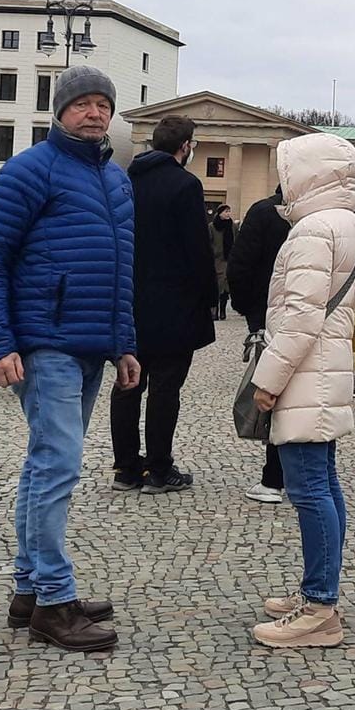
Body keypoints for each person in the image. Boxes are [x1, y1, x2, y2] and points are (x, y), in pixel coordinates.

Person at [0, 66, 141, 652]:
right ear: (60, 111)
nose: (95, 113)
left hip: (92, 343)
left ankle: (28, 590)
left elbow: (121, 270)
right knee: (59, 466)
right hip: (45, 341)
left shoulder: (116, 180)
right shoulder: (30, 169)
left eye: (103, 104)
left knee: (45, 464)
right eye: (84, 104)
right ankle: (53, 601)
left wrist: (125, 343)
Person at [248, 133, 355, 648]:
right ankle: (319, 590)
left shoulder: (313, 229)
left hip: (305, 372)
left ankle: (319, 606)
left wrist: (266, 380)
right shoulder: (348, 222)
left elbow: (299, 317)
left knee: (309, 490)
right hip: (325, 370)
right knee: (324, 484)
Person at [110, 115, 216, 495]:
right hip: (174, 304)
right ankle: (159, 468)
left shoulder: (125, 179)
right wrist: (209, 296)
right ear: (185, 146)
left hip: (128, 300)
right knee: (164, 389)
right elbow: (196, 249)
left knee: (126, 385)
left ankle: (125, 467)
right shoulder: (185, 185)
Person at [228, 187, 292, 504]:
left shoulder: (265, 212)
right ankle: (308, 476)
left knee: (275, 394)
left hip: (273, 316)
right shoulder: (341, 217)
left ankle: (274, 478)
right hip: (325, 322)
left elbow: (240, 267)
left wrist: (252, 314)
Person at [211, 204, 235, 320]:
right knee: (216, 286)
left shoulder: (232, 226)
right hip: (216, 260)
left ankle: (223, 310)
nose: (228, 214)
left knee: (225, 287)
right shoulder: (212, 226)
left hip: (229, 259)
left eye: (229, 211)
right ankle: (214, 311)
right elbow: (208, 242)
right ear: (220, 213)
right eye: (226, 211)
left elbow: (237, 240)